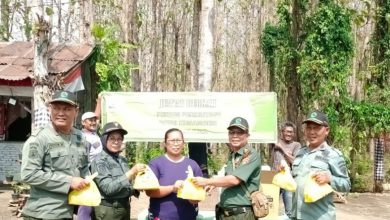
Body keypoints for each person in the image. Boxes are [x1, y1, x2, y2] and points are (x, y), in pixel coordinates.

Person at [21, 90, 90, 219]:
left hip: (66, 212)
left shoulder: (80, 137)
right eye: (56, 108)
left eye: (67, 109)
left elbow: (84, 167)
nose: (61, 113)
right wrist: (69, 182)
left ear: (77, 111)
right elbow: (29, 174)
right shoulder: (39, 139)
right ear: (49, 110)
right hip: (43, 213)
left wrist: (89, 180)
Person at [193, 117, 261, 220]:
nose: (235, 136)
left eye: (240, 133)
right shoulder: (233, 155)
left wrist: (208, 181)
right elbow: (228, 179)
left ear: (247, 136)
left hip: (241, 214)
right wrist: (213, 185)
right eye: (232, 132)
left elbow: (234, 180)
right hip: (225, 213)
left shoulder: (251, 154)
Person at [290, 110, 350, 220]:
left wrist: (329, 179)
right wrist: (284, 171)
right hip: (296, 215)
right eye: (309, 128)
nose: (312, 132)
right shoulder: (300, 153)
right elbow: (297, 178)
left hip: (319, 216)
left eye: (316, 128)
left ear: (326, 130)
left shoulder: (333, 155)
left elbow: (346, 184)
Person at [90, 121, 145, 220]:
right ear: (104, 139)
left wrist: (136, 187)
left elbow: (126, 184)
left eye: (119, 139)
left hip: (125, 207)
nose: (116, 142)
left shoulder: (122, 160)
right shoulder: (99, 161)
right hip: (108, 211)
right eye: (112, 138)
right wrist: (131, 172)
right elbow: (108, 189)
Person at [145, 128, 203, 220]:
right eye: (172, 140)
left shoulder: (192, 164)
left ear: (183, 143)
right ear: (165, 143)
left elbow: (199, 195)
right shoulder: (155, 164)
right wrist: (172, 188)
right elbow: (149, 192)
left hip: (188, 216)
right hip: (160, 217)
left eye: (179, 140)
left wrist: (191, 196)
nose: (176, 143)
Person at [270, 121, 301, 218]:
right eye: (286, 131)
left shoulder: (296, 145)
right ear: (282, 132)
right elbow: (265, 134)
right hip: (274, 178)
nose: (289, 134)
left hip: (288, 180)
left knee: (289, 211)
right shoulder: (275, 142)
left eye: (291, 132)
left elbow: (294, 161)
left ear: (294, 133)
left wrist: (281, 149)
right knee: (269, 208)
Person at [77, 112, 103, 220]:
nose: (93, 122)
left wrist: (100, 100)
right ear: (83, 122)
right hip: (88, 176)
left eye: (94, 120)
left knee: (94, 204)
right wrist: (86, 176)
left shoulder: (93, 134)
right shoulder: (83, 137)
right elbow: (83, 159)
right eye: (90, 120)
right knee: (86, 206)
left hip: (96, 174)